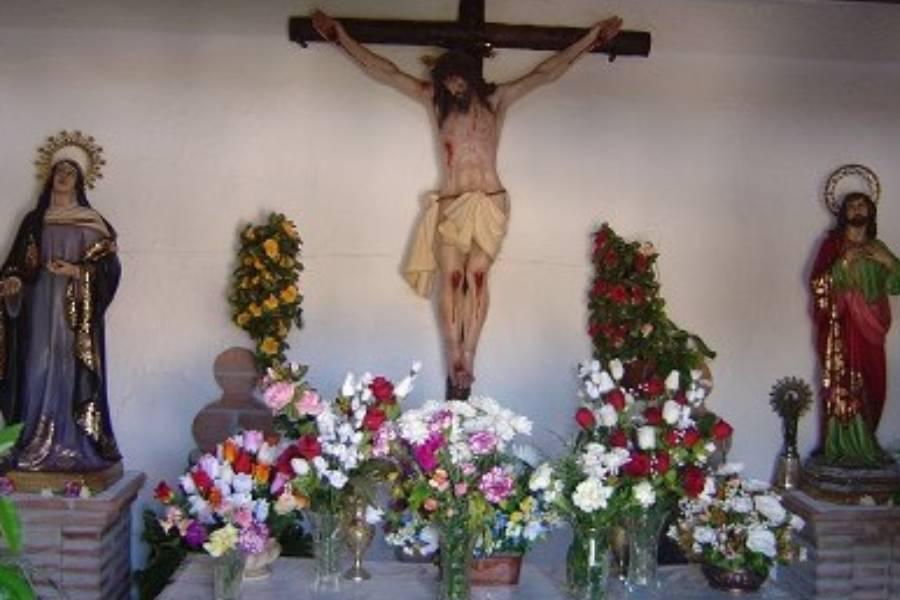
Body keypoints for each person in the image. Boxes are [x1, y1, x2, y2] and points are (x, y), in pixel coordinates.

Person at [311, 9, 622, 397]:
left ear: (471, 77)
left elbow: (547, 72)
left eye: (457, 80)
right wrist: (339, 37)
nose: (453, 87)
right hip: (452, 203)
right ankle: (453, 353)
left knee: (477, 276)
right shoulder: (435, 101)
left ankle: (469, 356)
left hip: (491, 201)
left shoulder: (497, 99)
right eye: (447, 81)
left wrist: (592, 39)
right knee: (452, 278)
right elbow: (386, 72)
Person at [0, 158, 122, 472]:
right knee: (36, 368)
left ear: (79, 181)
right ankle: (34, 441)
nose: (63, 176)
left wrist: (77, 271)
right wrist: (12, 283)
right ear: (50, 177)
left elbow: (109, 269)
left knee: (70, 369)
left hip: (76, 317)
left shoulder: (93, 222)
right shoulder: (34, 221)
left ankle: (74, 445)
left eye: (70, 172)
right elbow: (16, 266)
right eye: (59, 171)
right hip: (38, 311)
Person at [810, 192, 900, 467]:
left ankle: (866, 441)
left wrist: (888, 261)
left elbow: (896, 285)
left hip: (872, 328)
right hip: (841, 329)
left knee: (874, 382)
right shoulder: (833, 246)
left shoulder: (878, 247)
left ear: (870, 211)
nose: (857, 209)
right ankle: (839, 446)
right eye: (851, 206)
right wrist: (844, 261)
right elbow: (817, 285)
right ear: (843, 214)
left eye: (862, 205)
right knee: (844, 383)